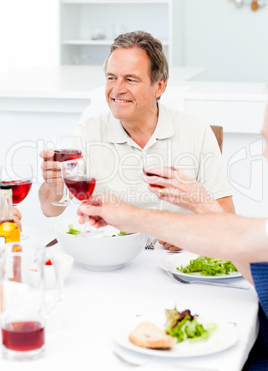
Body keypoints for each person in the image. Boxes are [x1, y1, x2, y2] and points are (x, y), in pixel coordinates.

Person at [77, 104, 268, 370]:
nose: (264, 152)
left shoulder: (192, 128)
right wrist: (201, 203)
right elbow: (251, 255)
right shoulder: (92, 129)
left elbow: (246, 239)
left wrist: (129, 215)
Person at [39, 31, 234, 233]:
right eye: (111, 77)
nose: (117, 89)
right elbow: (48, 210)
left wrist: (186, 232)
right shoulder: (89, 129)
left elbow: (227, 215)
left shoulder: (196, 131)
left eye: (130, 79)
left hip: (172, 258)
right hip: (111, 255)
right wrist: (54, 185)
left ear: (158, 86)